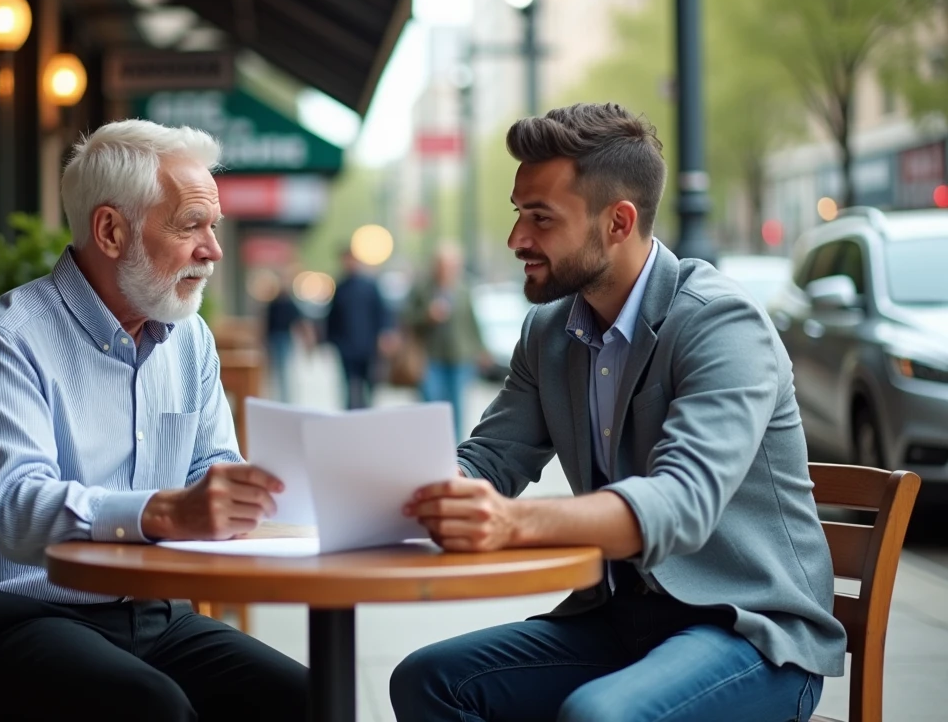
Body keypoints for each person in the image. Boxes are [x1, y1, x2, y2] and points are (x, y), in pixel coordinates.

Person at [391, 103, 845, 722]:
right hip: (617, 620)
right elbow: (491, 459)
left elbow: (681, 503)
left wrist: (512, 522)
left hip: (750, 634)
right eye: (519, 214)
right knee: (429, 680)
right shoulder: (549, 330)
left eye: (541, 218)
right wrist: (396, 491)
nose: (517, 239)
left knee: (600, 716)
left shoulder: (720, 322)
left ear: (618, 222)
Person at [0, 120, 308, 721]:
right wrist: (165, 511)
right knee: (153, 709)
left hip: (151, 615)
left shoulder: (189, 339)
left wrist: (248, 493)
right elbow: (20, 510)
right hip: (11, 624)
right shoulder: (6, 341)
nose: (213, 249)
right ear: (110, 230)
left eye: (214, 227)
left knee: (308, 698)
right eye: (190, 226)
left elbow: (213, 465)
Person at [403, 242, 488, 439]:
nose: (447, 269)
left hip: (460, 358)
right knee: (430, 405)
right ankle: (431, 444)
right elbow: (406, 318)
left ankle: (454, 453)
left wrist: (482, 349)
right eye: (442, 264)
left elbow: (472, 321)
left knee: (456, 407)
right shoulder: (422, 289)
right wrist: (427, 316)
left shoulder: (463, 289)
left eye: (451, 265)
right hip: (430, 358)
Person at [324, 248, 393, 409]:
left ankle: (367, 412)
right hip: (346, 346)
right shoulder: (340, 288)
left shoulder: (369, 286)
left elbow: (382, 312)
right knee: (349, 385)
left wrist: (384, 335)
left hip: (367, 345)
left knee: (369, 384)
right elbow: (332, 317)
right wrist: (330, 340)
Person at [262, 266, 311, 403]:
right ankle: (279, 398)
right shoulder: (273, 303)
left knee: (283, 369)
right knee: (275, 370)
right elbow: (266, 323)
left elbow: (300, 323)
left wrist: (307, 340)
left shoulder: (290, 303)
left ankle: (285, 398)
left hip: (285, 338)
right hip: (273, 338)